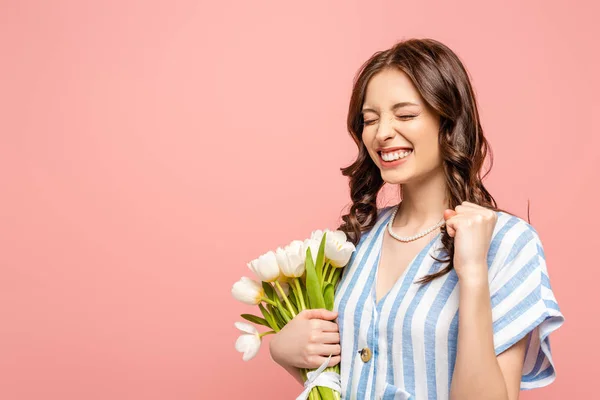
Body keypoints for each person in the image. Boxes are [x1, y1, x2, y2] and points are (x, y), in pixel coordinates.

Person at [269, 38, 565, 400]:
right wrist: (284, 353)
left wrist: (472, 273)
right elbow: (351, 381)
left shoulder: (508, 243)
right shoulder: (354, 241)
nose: (382, 133)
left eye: (406, 115)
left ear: (449, 121)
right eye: (370, 119)